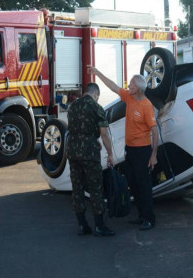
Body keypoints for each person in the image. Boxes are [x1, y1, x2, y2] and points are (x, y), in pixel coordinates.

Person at [87, 66, 158, 231]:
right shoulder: (129, 97)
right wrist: (98, 73)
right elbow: (113, 86)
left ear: (139, 89)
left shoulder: (146, 106)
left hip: (143, 151)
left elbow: (155, 131)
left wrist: (154, 155)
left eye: (132, 86)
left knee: (144, 185)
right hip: (131, 150)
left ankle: (149, 218)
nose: (129, 87)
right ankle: (141, 215)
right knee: (132, 183)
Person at [67, 82, 115, 236]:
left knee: (77, 188)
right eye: (97, 97)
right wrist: (110, 154)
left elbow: (75, 130)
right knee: (95, 189)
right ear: (95, 94)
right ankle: (99, 226)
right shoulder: (96, 107)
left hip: (73, 152)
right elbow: (104, 133)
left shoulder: (73, 107)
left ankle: (82, 225)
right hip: (89, 154)